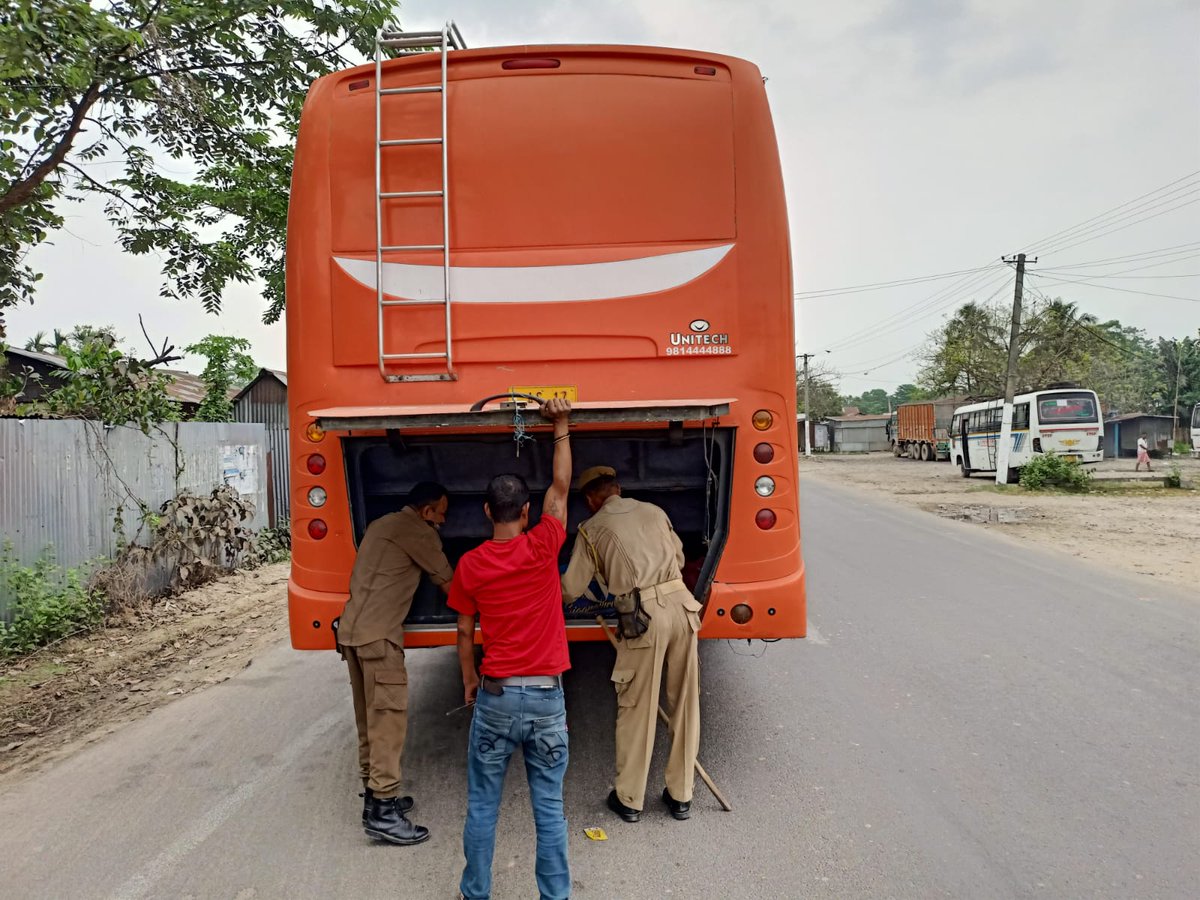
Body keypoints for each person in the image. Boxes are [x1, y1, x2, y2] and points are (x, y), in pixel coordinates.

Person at [449, 398, 573, 900]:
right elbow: (561, 489)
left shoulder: (471, 565)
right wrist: (561, 424)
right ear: (526, 511)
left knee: (482, 804)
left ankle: (475, 893)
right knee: (549, 806)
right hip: (546, 699)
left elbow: (463, 633)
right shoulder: (543, 546)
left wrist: (469, 681)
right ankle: (555, 896)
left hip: (496, 698)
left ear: (485, 511)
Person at [561, 466, 702, 824]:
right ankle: (681, 795)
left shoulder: (592, 529)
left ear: (590, 500)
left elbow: (570, 588)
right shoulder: (654, 511)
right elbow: (680, 559)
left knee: (636, 706)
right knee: (685, 702)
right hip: (683, 607)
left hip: (644, 617)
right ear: (617, 489)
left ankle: (629, 799)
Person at [335, 481, 453, 845]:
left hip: (352, 636)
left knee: (369, 721)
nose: (445, 522)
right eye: (442, 514)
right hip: (379, 641)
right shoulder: (420, 532)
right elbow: (450, 583)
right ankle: (384, 811)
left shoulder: (380, 524)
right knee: (389, 723)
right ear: (427, 511)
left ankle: (374, 797)